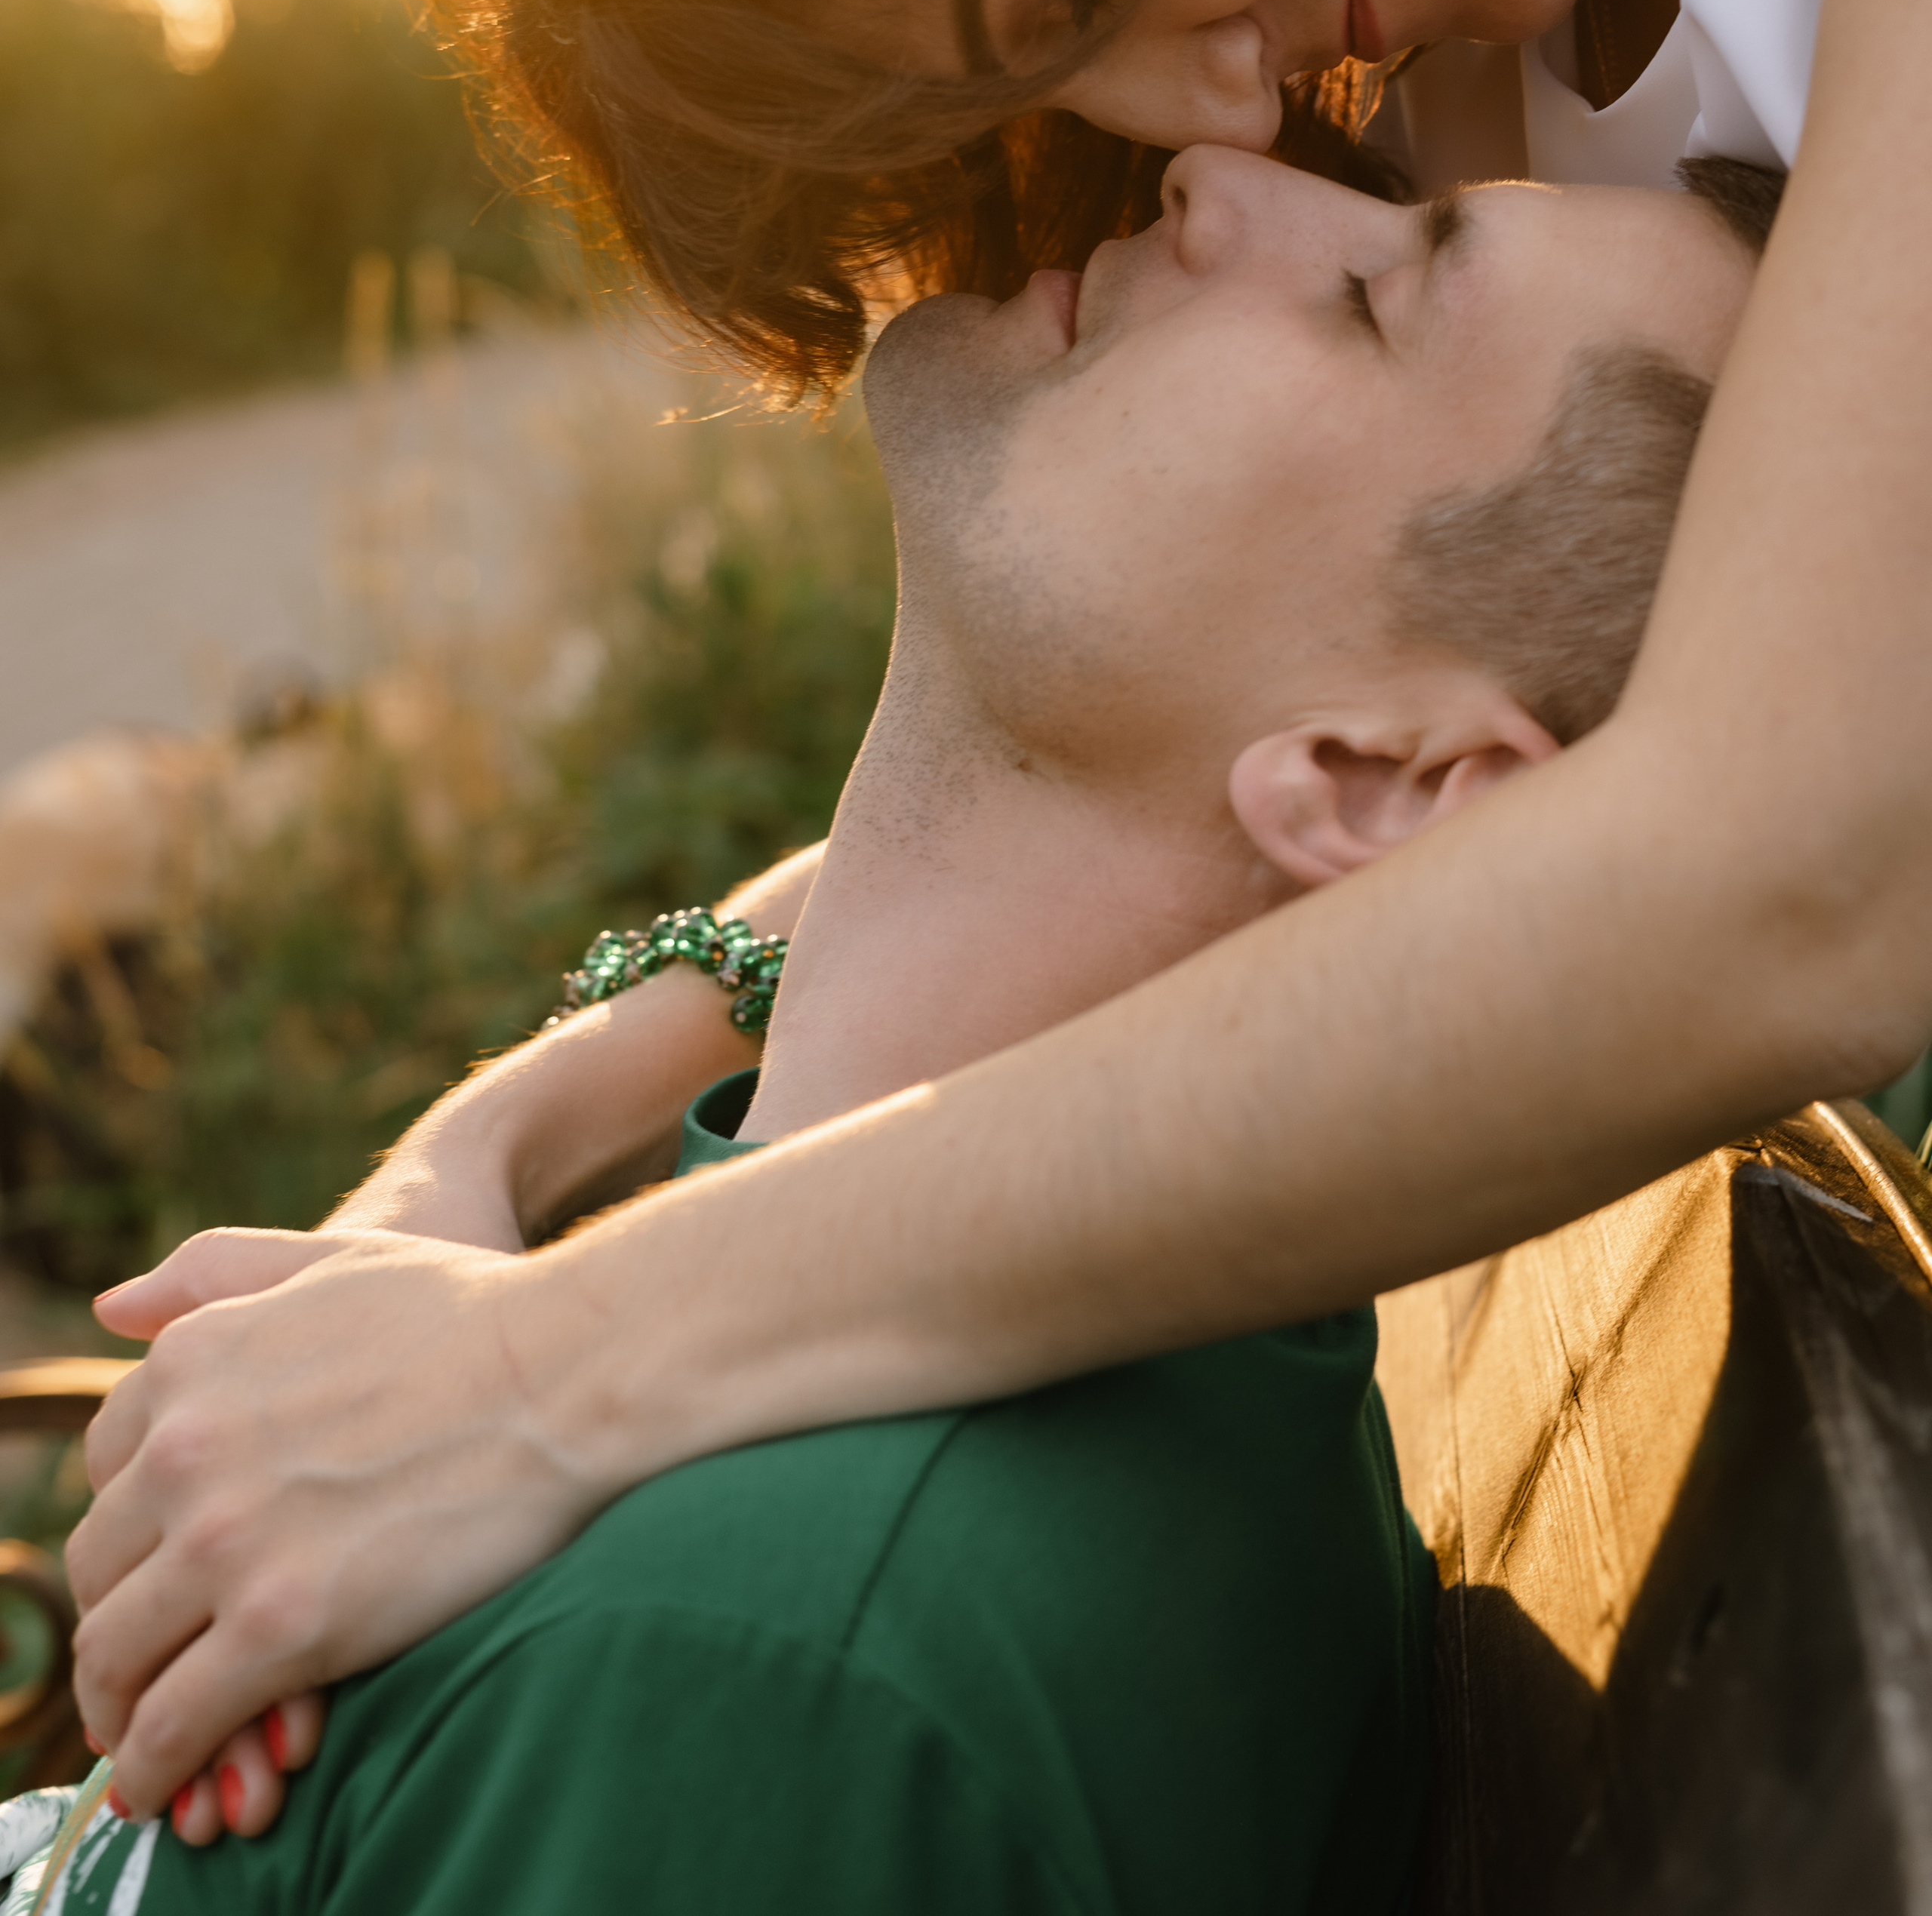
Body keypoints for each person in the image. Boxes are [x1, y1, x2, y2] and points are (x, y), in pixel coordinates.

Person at [69, 0, 1932, 1809]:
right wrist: (490, 1155)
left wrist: (549, 1369)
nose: (1210, 117)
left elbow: (1787, 874)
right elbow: (1221, 767)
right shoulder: (1498, 11)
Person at [21, 147, 1769, 1910]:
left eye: (1372, 299)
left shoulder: (753, 1676)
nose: (1214, 176)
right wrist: (485, 1142)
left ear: (1379, 778)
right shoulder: (831, 1450)